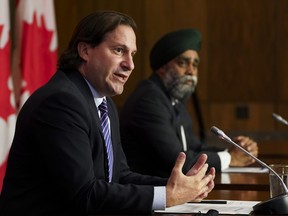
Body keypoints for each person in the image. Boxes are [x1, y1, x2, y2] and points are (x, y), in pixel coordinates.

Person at [0, 11, 215, 215]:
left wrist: (180, 187)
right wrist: (167, 196)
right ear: (84, 50)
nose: (129, 64)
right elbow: (84, 193)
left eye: (132, 54)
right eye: (118, 50)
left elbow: (118, 177)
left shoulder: (104, 103)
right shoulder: (61, 102)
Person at [120, 28, 259, 178]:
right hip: (149, 194)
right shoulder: (149, 101)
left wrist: (235, 151)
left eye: (195, 64)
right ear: (162, 68)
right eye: (183, 63)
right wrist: (231, 158)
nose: (191, 71)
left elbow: (194, 147)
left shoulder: (172, 98)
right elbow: (178, 161)